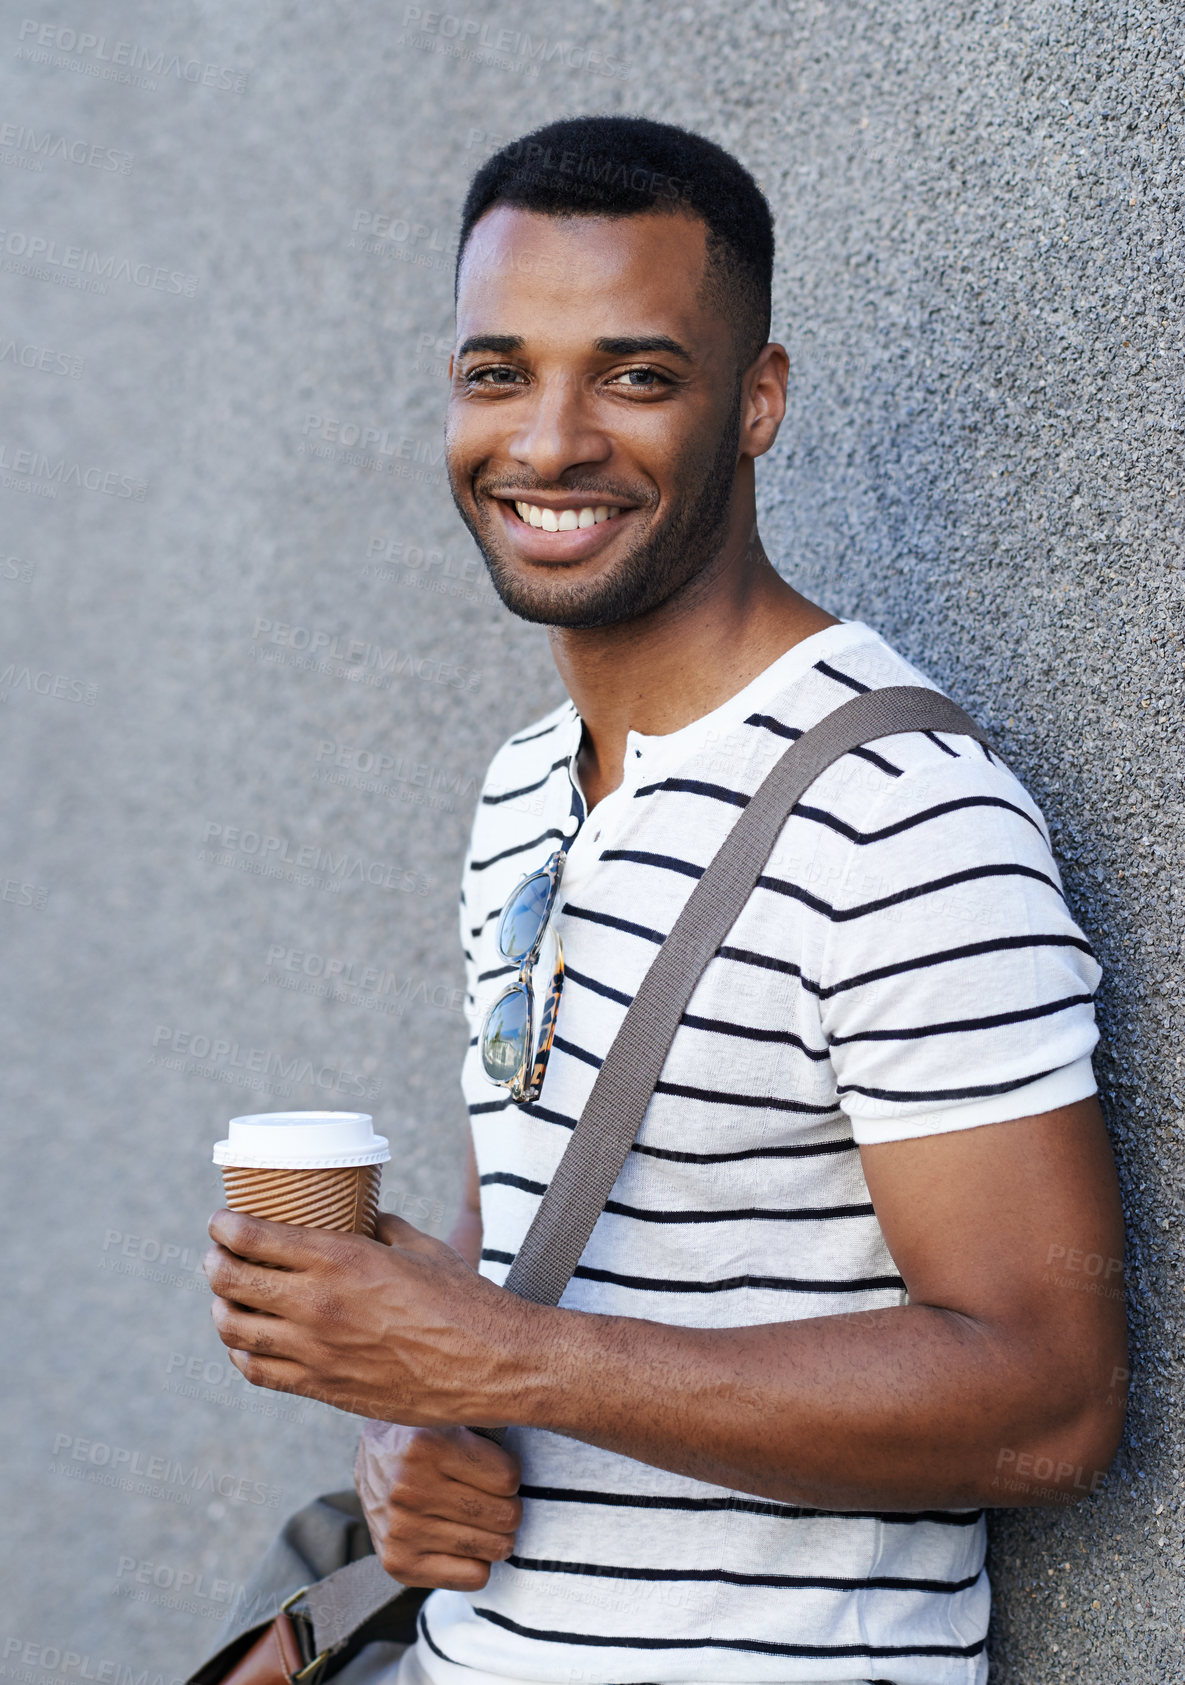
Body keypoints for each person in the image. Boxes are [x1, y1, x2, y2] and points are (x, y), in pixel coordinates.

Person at [205, 116, 1127, 1685]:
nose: (548, 440)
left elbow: (1047, 1401)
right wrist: (413, 1417)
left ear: (755, 400)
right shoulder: (525, 785)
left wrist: (512, 1357)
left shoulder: (896, 816)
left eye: (633, 375)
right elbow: (546, 1237)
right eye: (497, 371)